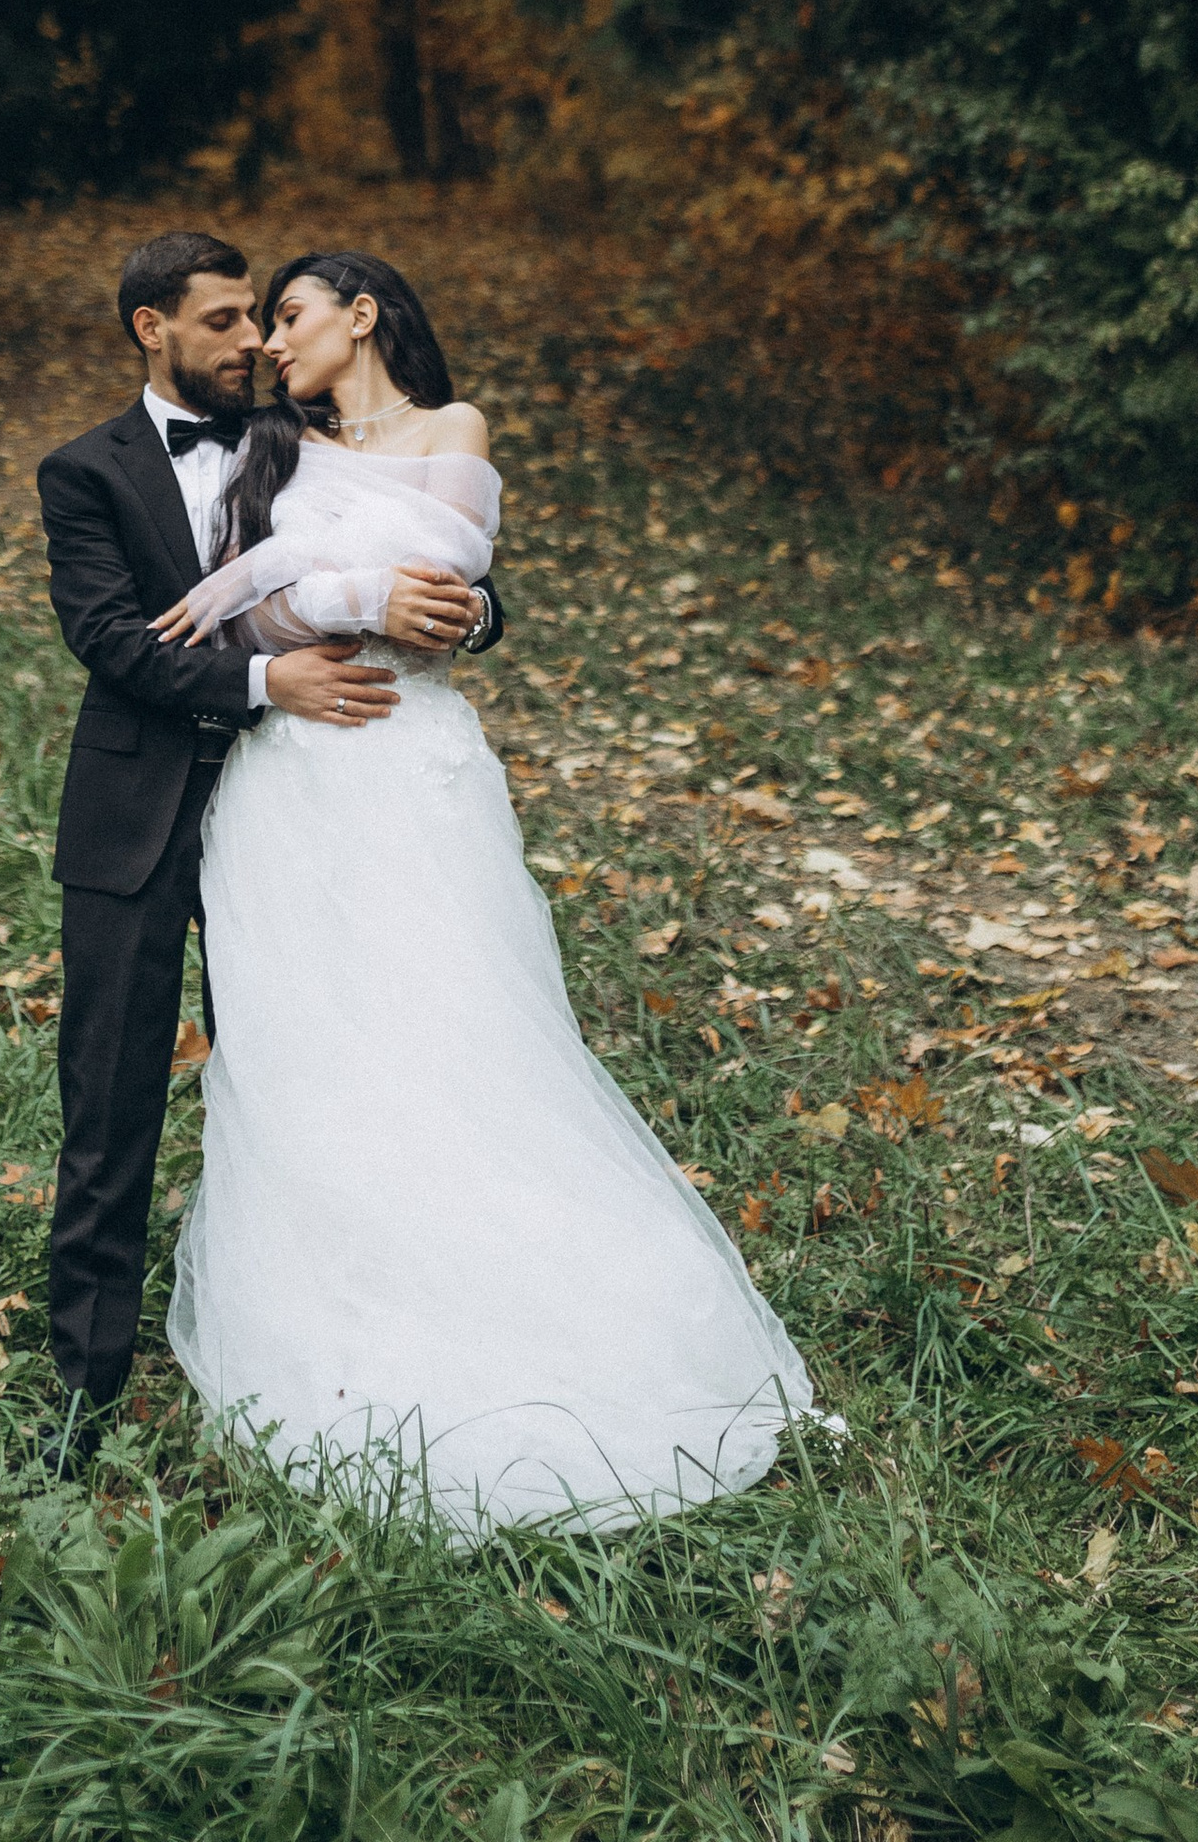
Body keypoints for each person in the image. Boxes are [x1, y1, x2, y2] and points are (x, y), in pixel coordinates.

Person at [154, 248, 821, 1532]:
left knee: (456, 1029)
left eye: (289, 318)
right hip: (288, 785)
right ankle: (336, 1307)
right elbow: (229, 623)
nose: (269, 346)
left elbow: (453, 580)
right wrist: (322, 594)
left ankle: (520, 1298)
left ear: (362, 315)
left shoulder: (452, 429)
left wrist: (352, 595)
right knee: (311, 1049)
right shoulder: (264, 451)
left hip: (411, 768)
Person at [34, 230, 505, 1453]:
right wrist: (262, 683)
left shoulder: (297, 436)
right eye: (227, 322)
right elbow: (115, 642)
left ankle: (327, 1356)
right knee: (111, 1096)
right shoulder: (83, 471)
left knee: (318, 1084)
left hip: (307, 812)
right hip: (140, 815)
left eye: (265, 319)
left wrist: (467, 608)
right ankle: (84, 1395)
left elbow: (421, 532)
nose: (256, 343)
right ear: (152, 328)